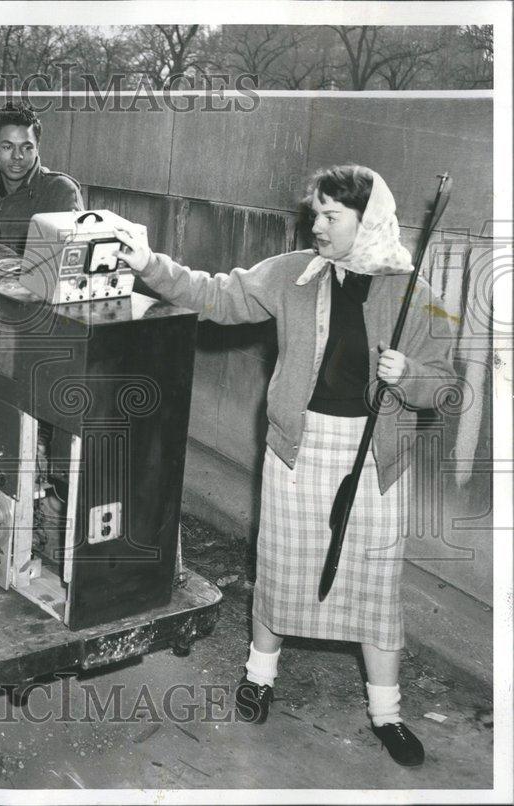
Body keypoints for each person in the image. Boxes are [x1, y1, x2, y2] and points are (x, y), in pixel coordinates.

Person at [115, 165, 455, 768]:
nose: (316, 225)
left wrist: (413, 377)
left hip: (374, 458)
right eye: (315, 213)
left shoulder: (414, 293)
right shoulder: (292, 274)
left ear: (366, 220)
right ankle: (259, 676)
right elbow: (214, 294)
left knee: (375, 587)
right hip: (299, 449)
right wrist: (147, 264)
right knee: (281, 570)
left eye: (331, 216)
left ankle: (387, 713)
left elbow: (447, 390)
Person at [0, 102, 84, 255]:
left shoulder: (60, 192)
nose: (17, 156)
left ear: (37, 148)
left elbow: (73, 260)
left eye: (27, 147)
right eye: (7, 147)